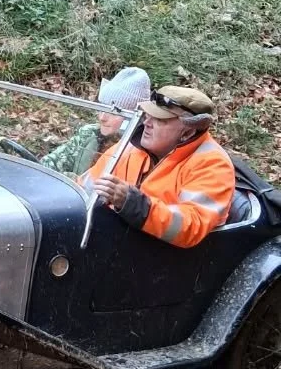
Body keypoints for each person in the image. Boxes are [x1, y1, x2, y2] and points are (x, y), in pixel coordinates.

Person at [82, 85, 235, 248]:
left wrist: (131, 202)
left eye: (160, 120)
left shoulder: (213, 164)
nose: (147, 123)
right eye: (148, 115)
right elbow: (85, 185)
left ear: (188, 133)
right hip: (117, 244)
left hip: (165, 259)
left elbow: (190, 227)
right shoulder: (131, 146)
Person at [41, 66, 151, 176]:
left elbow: (99, 188)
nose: (102, 117)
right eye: (102, 108)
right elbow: (48, 164)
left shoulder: (138, 154)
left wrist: (71, 179)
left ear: (132, 119)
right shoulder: (90, 133)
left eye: (113, 112)